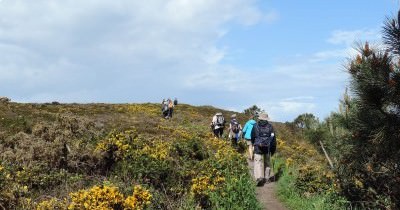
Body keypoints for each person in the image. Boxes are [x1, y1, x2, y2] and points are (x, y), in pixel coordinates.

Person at [251, 112, 276, 186]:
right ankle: (267, 178)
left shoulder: (255, 126)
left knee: (257, 162)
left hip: (257, 147)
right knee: (267, 162)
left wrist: (253, 144)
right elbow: (273, 139)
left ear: (260, 118)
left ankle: (258, 178)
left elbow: (252, 137)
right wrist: (273, 150)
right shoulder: (270, 127)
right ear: (266, 119)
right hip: (267, 148)